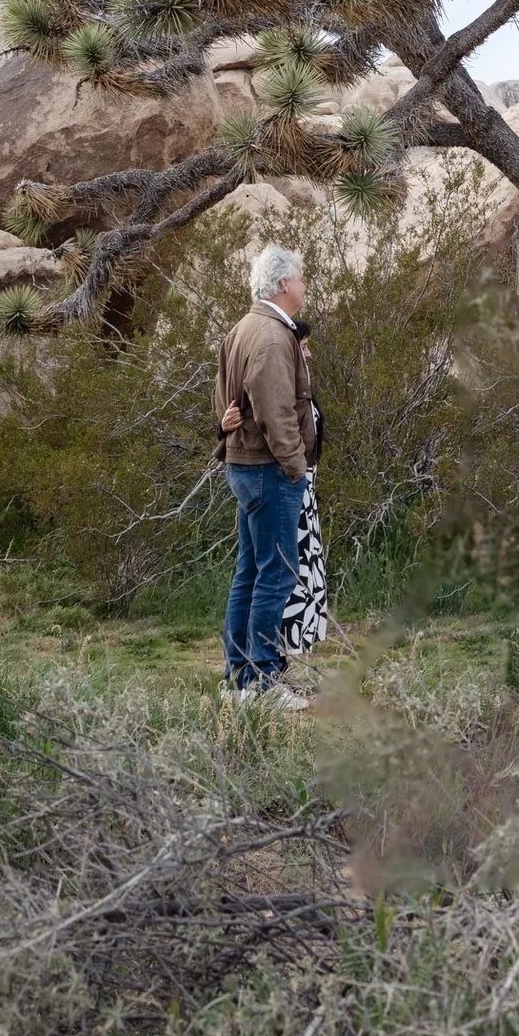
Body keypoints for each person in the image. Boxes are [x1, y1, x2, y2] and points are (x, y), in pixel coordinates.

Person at [216, 241, 322, 704]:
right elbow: (276, 412)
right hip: (269, 470)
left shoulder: (244, 328)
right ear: (283, 284)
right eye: (300, 278)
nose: (303, 285)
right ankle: (261, 681)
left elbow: (223, 397)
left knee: (249, 572)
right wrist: (296, 467)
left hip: (245, 466)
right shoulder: (272, 336)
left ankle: (239, 674)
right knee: (276, 574)